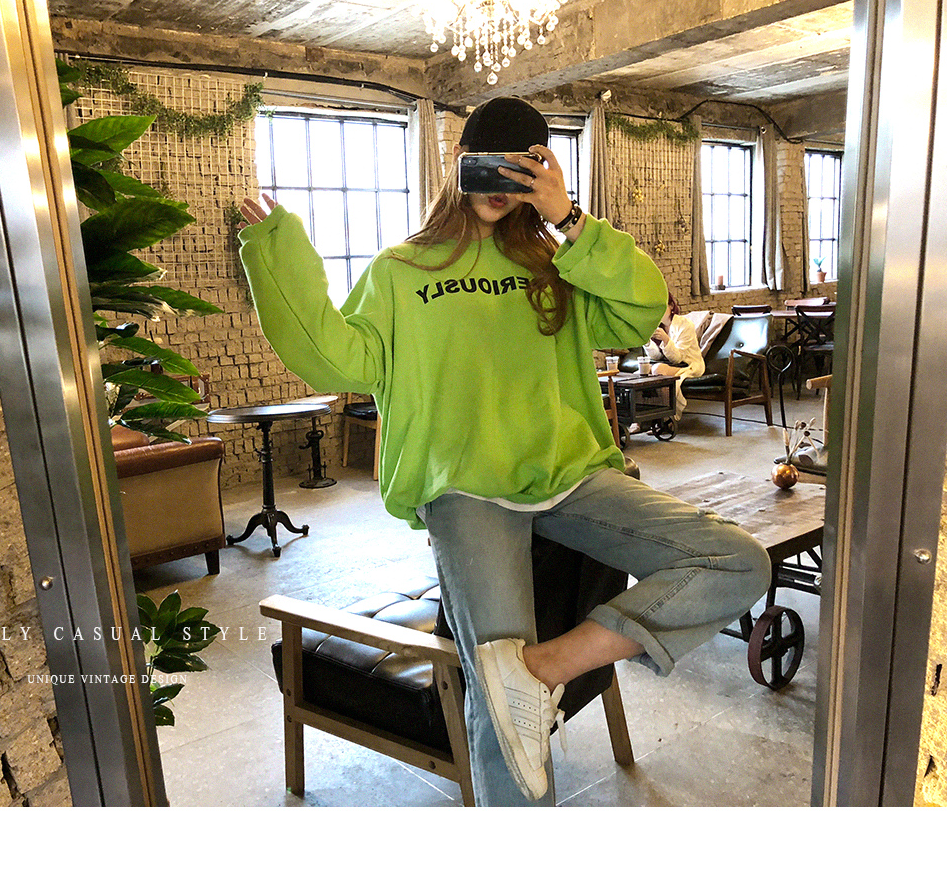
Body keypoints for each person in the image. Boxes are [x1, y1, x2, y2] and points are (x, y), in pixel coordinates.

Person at [236, 94, 769, 802]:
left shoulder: (559, 264)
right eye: (487, 165)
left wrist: (568, 219)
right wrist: (279, 256)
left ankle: (545, 669)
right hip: (465, 489)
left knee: (738, 560)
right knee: (500, 706)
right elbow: (334, 359)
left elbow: (641, 309)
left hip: (570, 474)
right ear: (460, 164)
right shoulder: (401, 270)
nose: (500, 184)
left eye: (522, 168)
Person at [647, 291, 707, 414]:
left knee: (658, 369)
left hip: (689, 365)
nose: (658, 311)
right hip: (669, 364)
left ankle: (667, 414)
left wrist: (666, 339)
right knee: (642, 372)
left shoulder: (685, 325)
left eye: (661, 307)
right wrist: (646, 341)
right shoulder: (657, 326)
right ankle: (643, 417)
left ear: (671, 306)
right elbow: (657, 356)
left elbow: (677, 359)